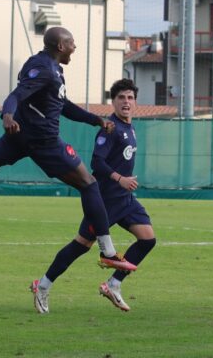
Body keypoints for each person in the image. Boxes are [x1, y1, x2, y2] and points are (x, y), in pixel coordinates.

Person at [0, 27, 136, 277]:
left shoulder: (47, 66)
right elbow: (16, 95)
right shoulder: (47, 71)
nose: (75, 46)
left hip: (18, 137)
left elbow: (64, 106)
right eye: (71, 42)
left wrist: (96, 120)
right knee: (89, 184)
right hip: (45, 142)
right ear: (61, 46)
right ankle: (107, 250)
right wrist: (7, 115)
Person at [31, 79, 156, 313]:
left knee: (148, 239)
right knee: (81, 245)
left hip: (125, 200)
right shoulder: (110, 129)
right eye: (121, 98)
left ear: (135, 102)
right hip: (104, 202)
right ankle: (43, 286)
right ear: (114, 102)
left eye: (130, 97)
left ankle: (114, 284)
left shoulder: (130, 127)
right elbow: (97, 162)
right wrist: (120, 179)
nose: (126, 102)